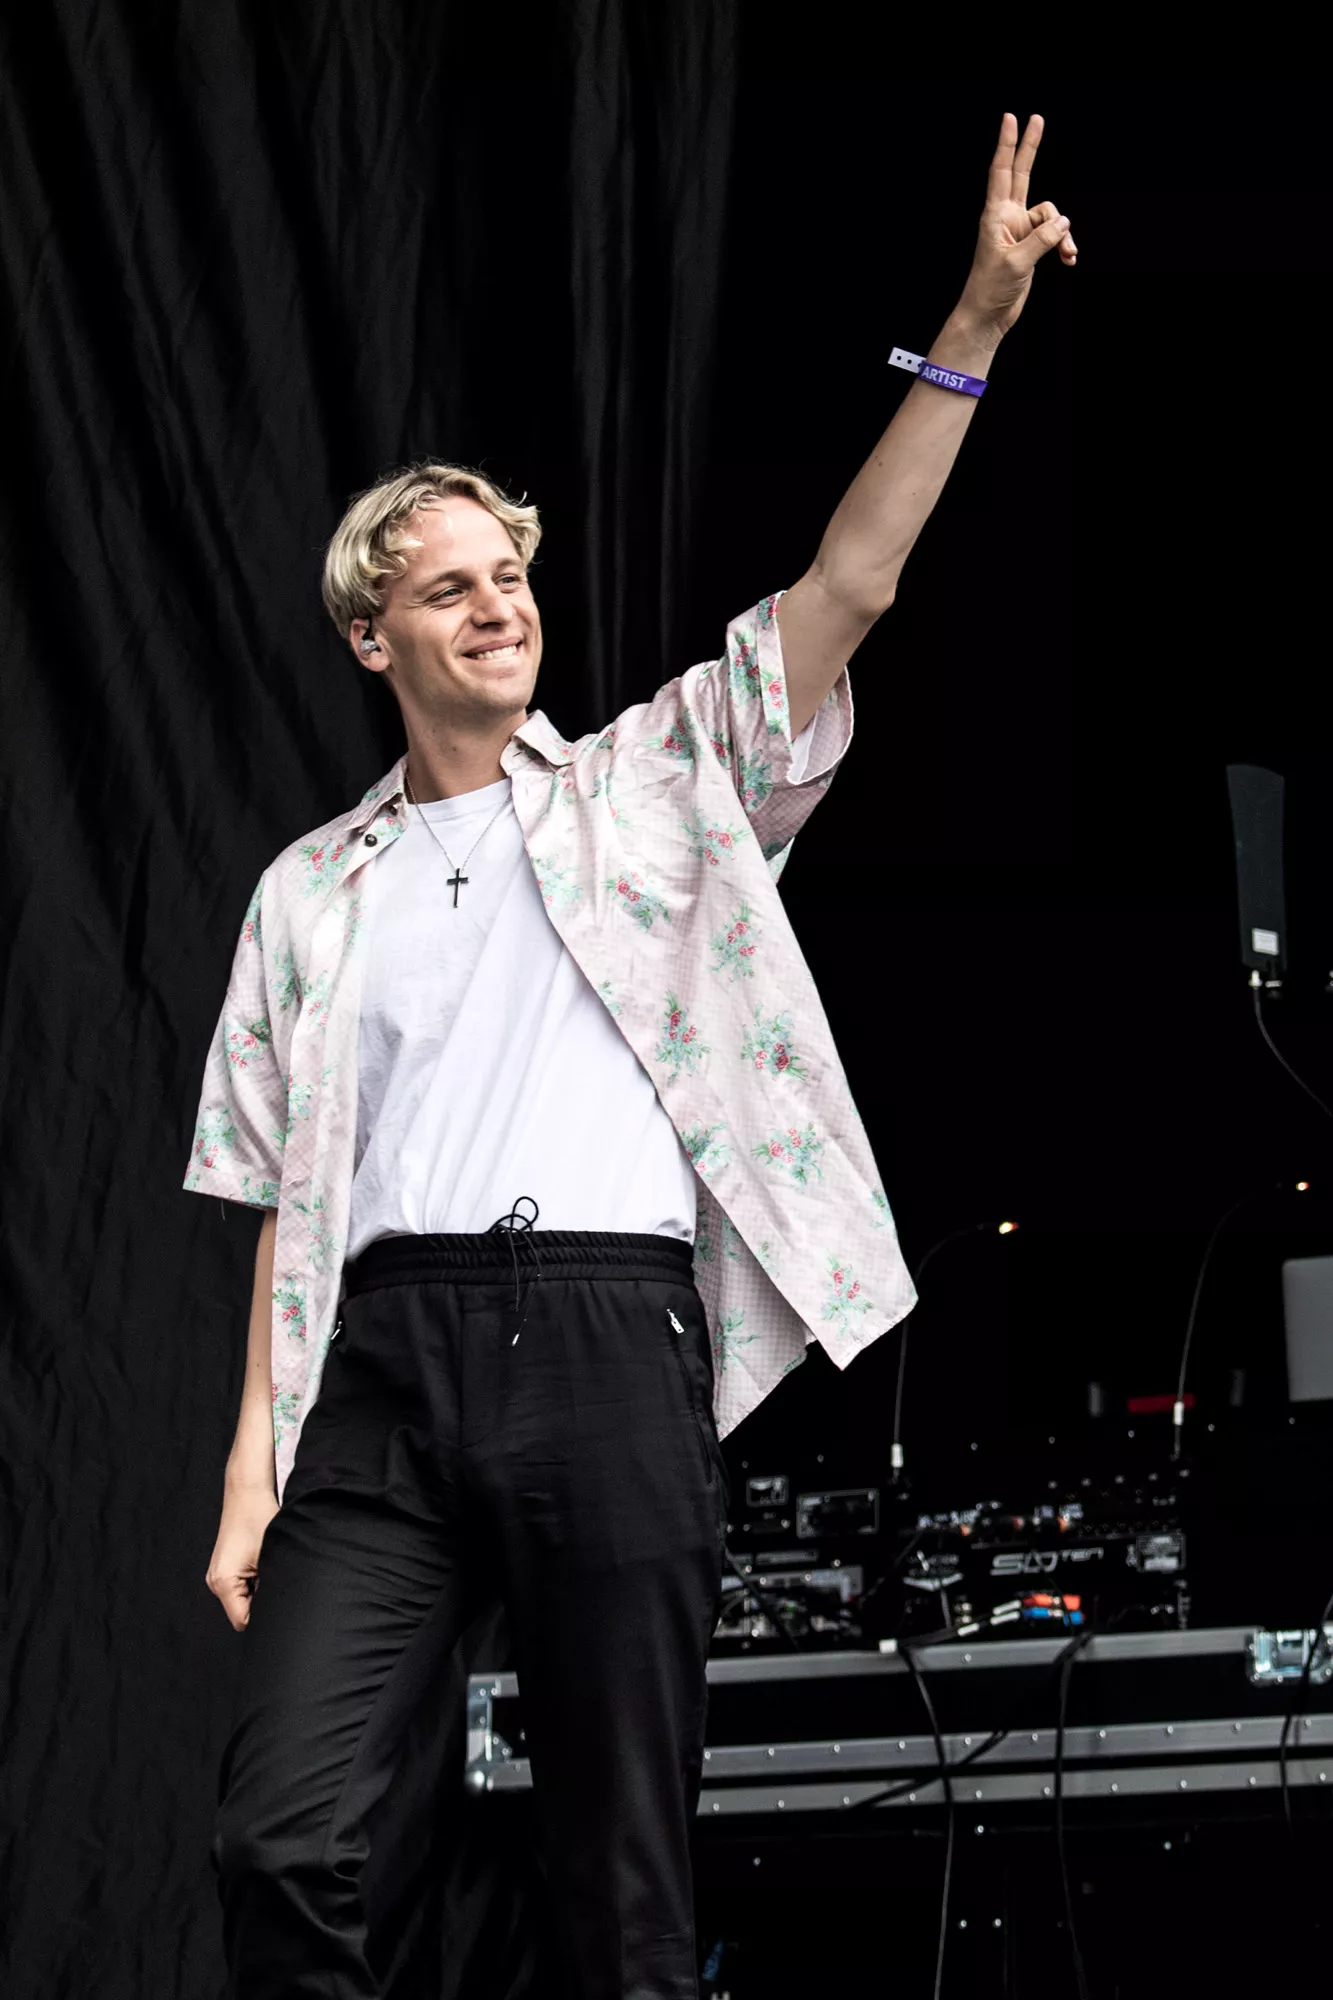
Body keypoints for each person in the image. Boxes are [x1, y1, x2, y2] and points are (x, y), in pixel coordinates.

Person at [186, 108, 1076, 1990]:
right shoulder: (307, 893)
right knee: (283, 1832)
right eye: (449, 586)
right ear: (372, 639)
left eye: (510, 575)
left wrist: (972, 331)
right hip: (382, 1372)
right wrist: (254, 1470)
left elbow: (852, 585)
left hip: (604, 1334)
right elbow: (279, 1202)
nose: (498, 603)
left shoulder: (654, 787)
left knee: (622, 1894)